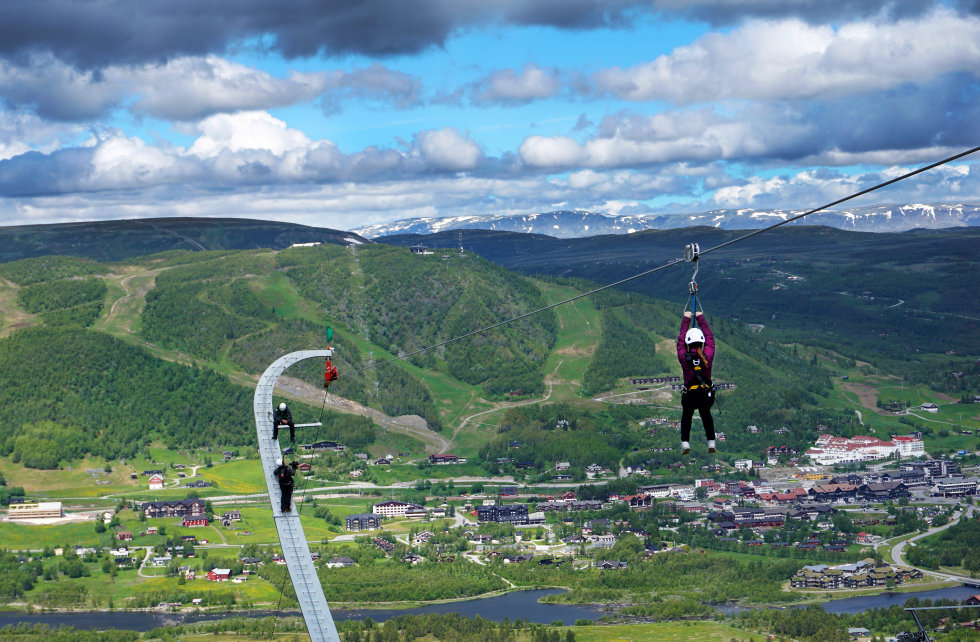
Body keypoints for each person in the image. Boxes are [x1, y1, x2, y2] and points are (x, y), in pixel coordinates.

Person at [677, 310, 716, 455]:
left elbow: (681, 341)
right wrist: (700, 317)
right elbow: (710, 338)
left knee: (687, 415)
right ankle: (711, 441)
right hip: (705, 396)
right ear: (702, 341)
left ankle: (685, 442)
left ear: (688, 343)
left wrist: (686, 318)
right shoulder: (708, 356)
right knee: (706, 414)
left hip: (690, 396)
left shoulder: (683, 356)